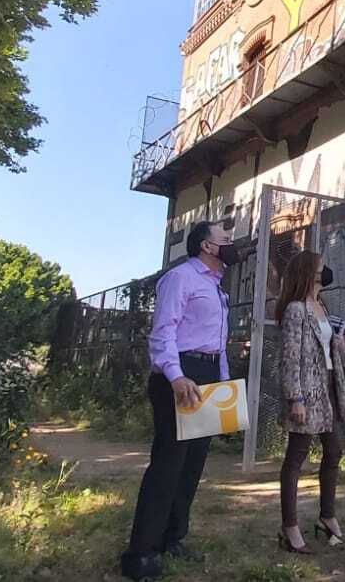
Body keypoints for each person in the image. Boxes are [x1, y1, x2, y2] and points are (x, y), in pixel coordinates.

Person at [120, 221, 239, 581]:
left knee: (192, 466)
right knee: (168, 465)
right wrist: (175, 377)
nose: (232, 242)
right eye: (225, 238)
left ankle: (174, 538)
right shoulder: (181, 278)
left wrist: (223, 385)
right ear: (207, 246)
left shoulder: (218, 289)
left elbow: (215, 343)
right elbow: (163, 332)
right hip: (180, 376)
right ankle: (140, 553)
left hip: (206, 375)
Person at [274, 251, 345, 554]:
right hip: (307, 392)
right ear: (310, 273)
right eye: (321, 267)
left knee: (334, 449)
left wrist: (338, 343)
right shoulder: (295, 310)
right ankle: (289, 526)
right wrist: (296, 398)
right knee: (296, 457)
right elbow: (290, 358)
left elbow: (326, 349)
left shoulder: (322, 306)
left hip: (329, 387)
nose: (326, 271)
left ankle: (327, 516)